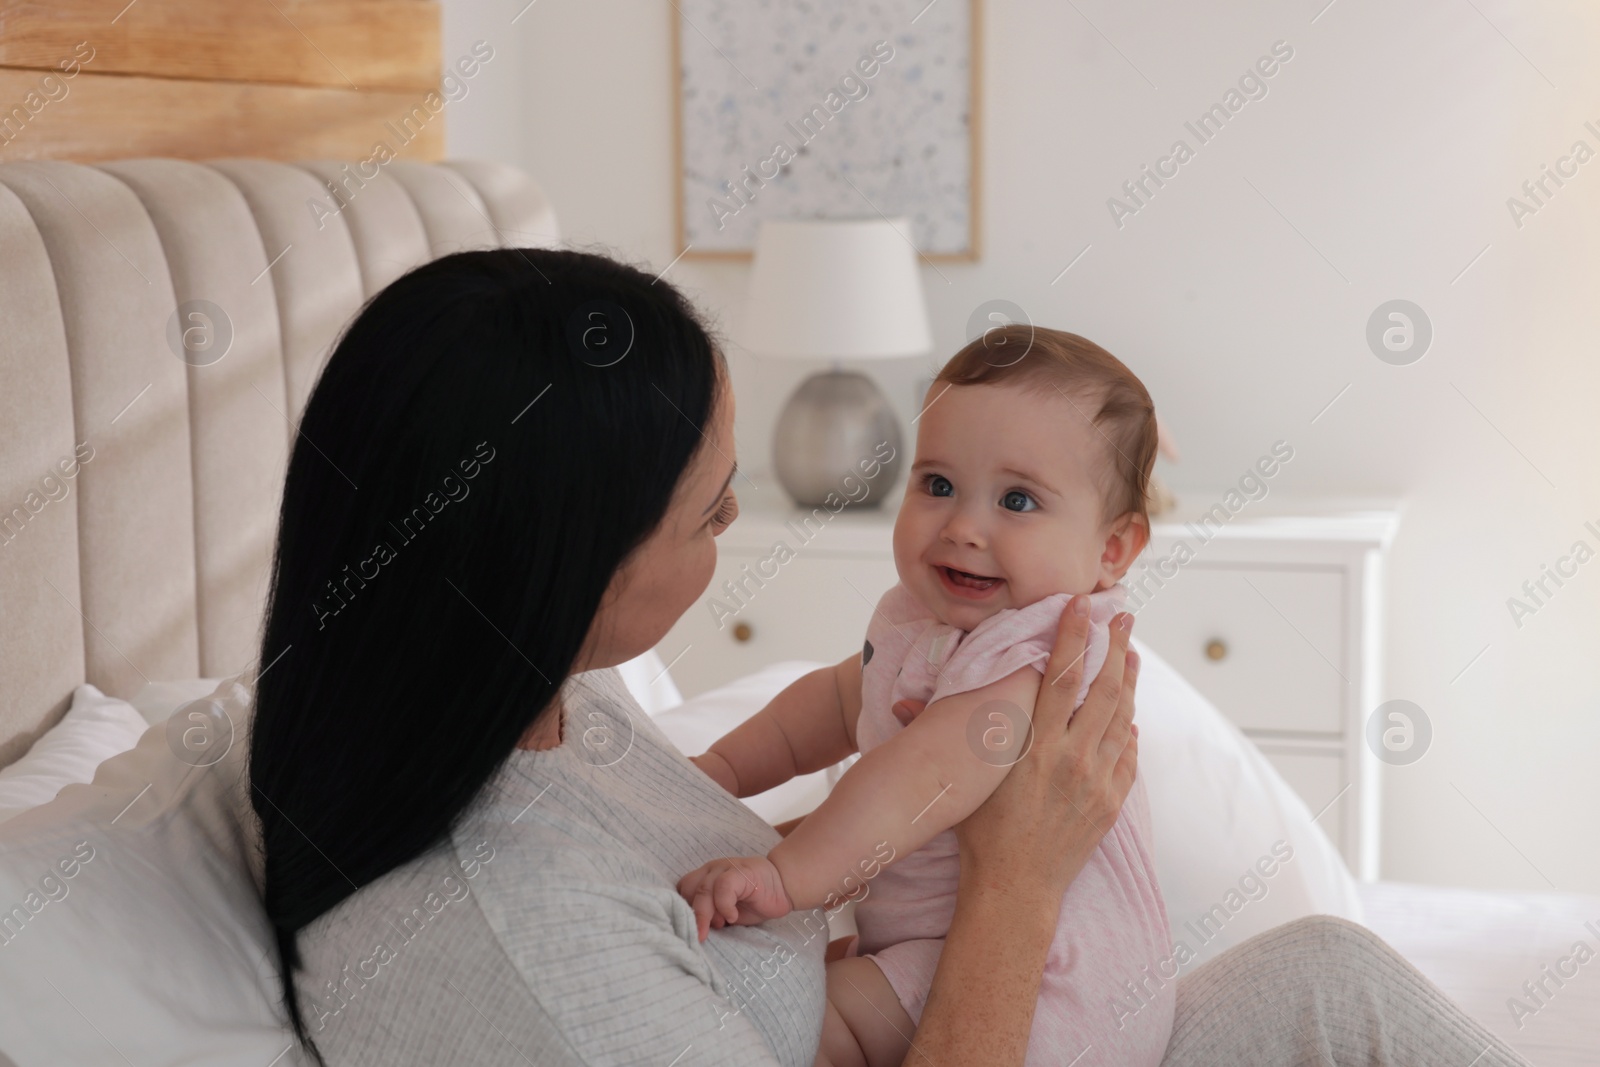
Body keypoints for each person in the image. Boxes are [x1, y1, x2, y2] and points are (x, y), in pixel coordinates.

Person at [247, 247, 1529, 1067]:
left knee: (1330, 970)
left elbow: (858, 746)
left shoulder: (525, 698)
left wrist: (808, 860)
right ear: (556, 552)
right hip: (992, 1003)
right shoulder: (531, 954)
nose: (735, 521)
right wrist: (1017, 875)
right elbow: (867, 735)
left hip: (995, 988)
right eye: (707, 509)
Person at [678, 327, 1173, 1066]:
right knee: (803, 976)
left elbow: (923, 774)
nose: (964, 527)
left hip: (1055, 985)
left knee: (807, 1017)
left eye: (1017, 499)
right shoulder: (926, 619)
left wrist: (785, 876)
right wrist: (721, 769)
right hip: (940, 941)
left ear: (1111, 550)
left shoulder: (1037, 648)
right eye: (937, 485)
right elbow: (837, 700)